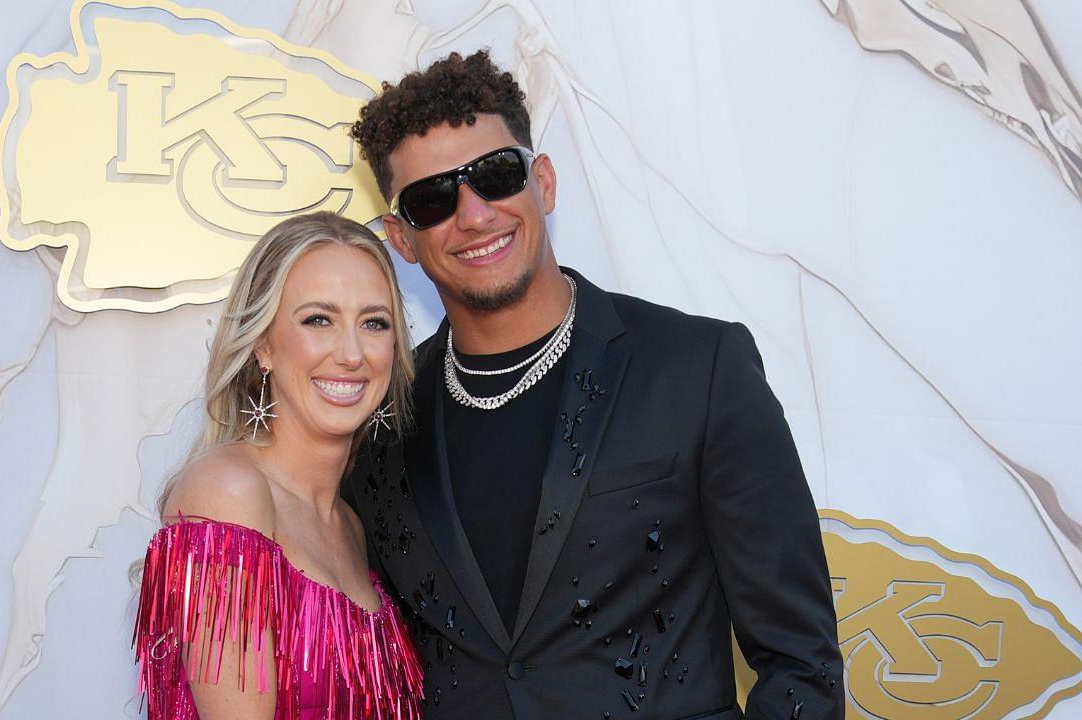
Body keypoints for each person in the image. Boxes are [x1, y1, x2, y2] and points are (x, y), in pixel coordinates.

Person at [345, 51, 844, 719]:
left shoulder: (697, 368)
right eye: (434, 199)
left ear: (543, 182)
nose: (473, 214)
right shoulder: (383, 427)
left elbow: (799, 661)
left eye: (495, 176)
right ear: (402, 239)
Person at [132, 212, 424, 719]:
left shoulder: (352, 525)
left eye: (374, 323)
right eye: (318, 320)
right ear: (263, 344)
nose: (352, 353)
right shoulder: (228, 494)